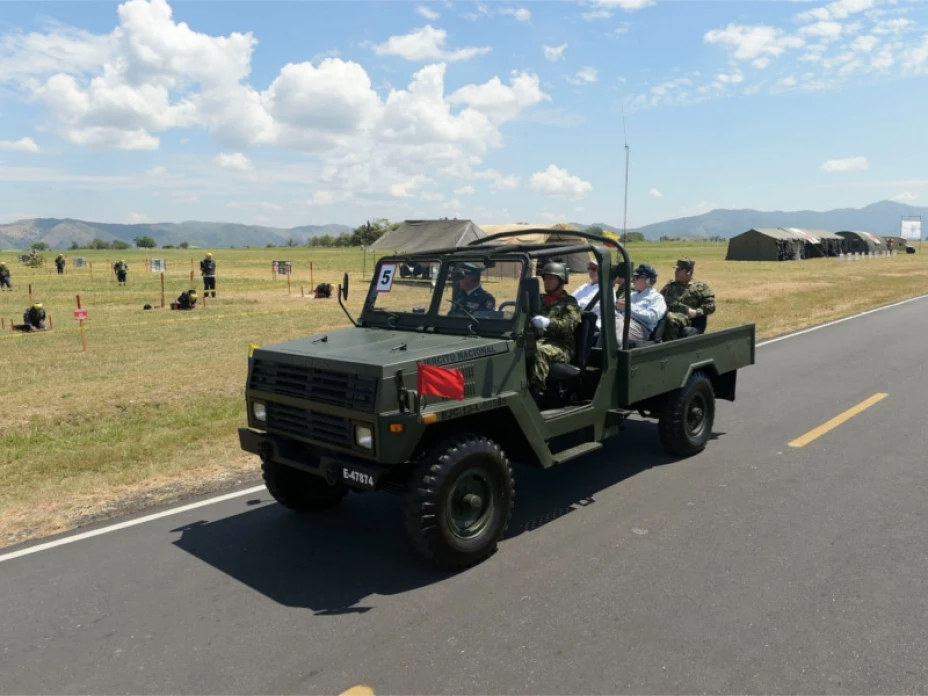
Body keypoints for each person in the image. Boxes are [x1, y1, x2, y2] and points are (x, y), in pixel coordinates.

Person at [528, 262, 581, 394]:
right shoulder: (539, 299)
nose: (546, 281)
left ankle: (537, 391)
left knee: (539, 350)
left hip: (561, 346)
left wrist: (548, 323)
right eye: (545, 278)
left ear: (561, 280)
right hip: (538, 339)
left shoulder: (569, 302)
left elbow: (569, 325)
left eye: (551, 278)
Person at [660, 258, 716, 340]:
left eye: (679, 270)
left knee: (669, 318)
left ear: (689, 272)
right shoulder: (669, 286)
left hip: (685, 319)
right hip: (667, 314)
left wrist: (696, 312)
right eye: (676, 269)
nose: (676, 272)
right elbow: (658, 301)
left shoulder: (699, 288)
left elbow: (711, 306)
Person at [616, 264, 667, 343]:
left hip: (641, 328)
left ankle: (614, 352)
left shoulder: (657, 298)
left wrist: (629, 307)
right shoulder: (632, 295)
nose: (633, 280)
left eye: (636, 277)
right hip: (623, 321)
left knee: (615, 328)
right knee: (607, 325)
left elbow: (652, 317)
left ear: (648, 280)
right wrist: (618, 307)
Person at [571, 258, 603, 328]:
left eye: (594, 268)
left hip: (592, 326)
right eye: (589, 268)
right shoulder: (585, 286)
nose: (591, 271)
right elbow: (571, 298)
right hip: (577, 320)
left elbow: (584, 306)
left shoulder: (606, 289)